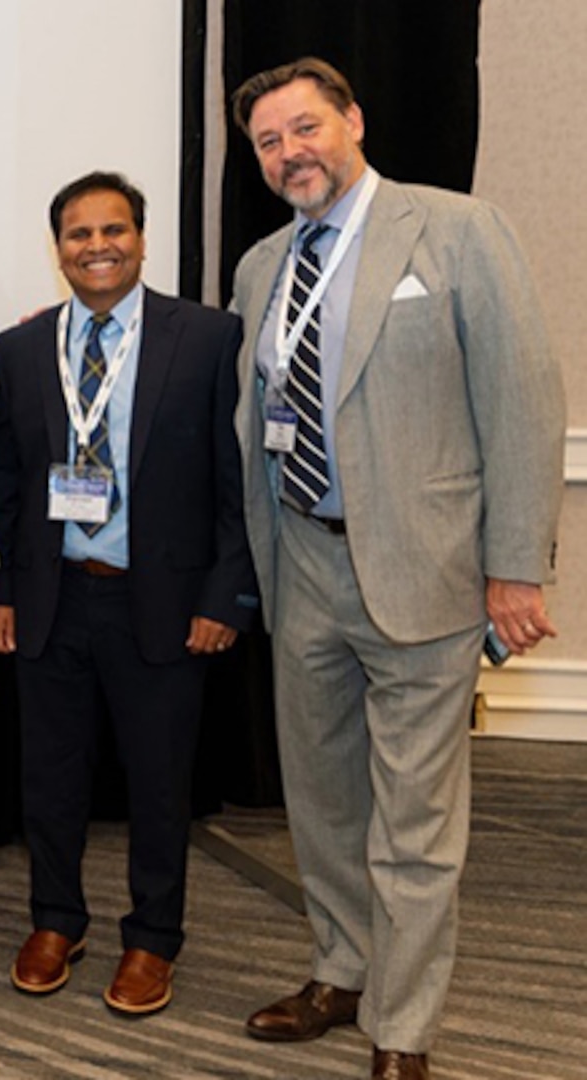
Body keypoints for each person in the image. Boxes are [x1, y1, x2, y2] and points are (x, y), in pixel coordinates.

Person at [229, 58, 562, 1080]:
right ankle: (339, 968)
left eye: (304, 128)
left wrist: (512, 570)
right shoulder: (256, 268)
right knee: (321, 802)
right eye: (267, 142)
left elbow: (521, 400)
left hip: (426, 574)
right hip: (302, 565)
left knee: (415, 818)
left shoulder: (454, 229)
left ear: (352, 120)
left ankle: (402, 1027)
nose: (289, 153)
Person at [0, 172, 255, 1016]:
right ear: (56, 246)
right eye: (77, 234)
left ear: (142, 238)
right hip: (54, 597)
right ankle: (57, 920)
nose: (96, 246)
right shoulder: (22, 350)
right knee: (50, 778)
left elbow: (236, 481)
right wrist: (4, 592)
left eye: (113, 231)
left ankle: (152, 938)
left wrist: (224, 598)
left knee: (158, 782)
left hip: (165, 602)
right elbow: (6, 482)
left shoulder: (210, 338)